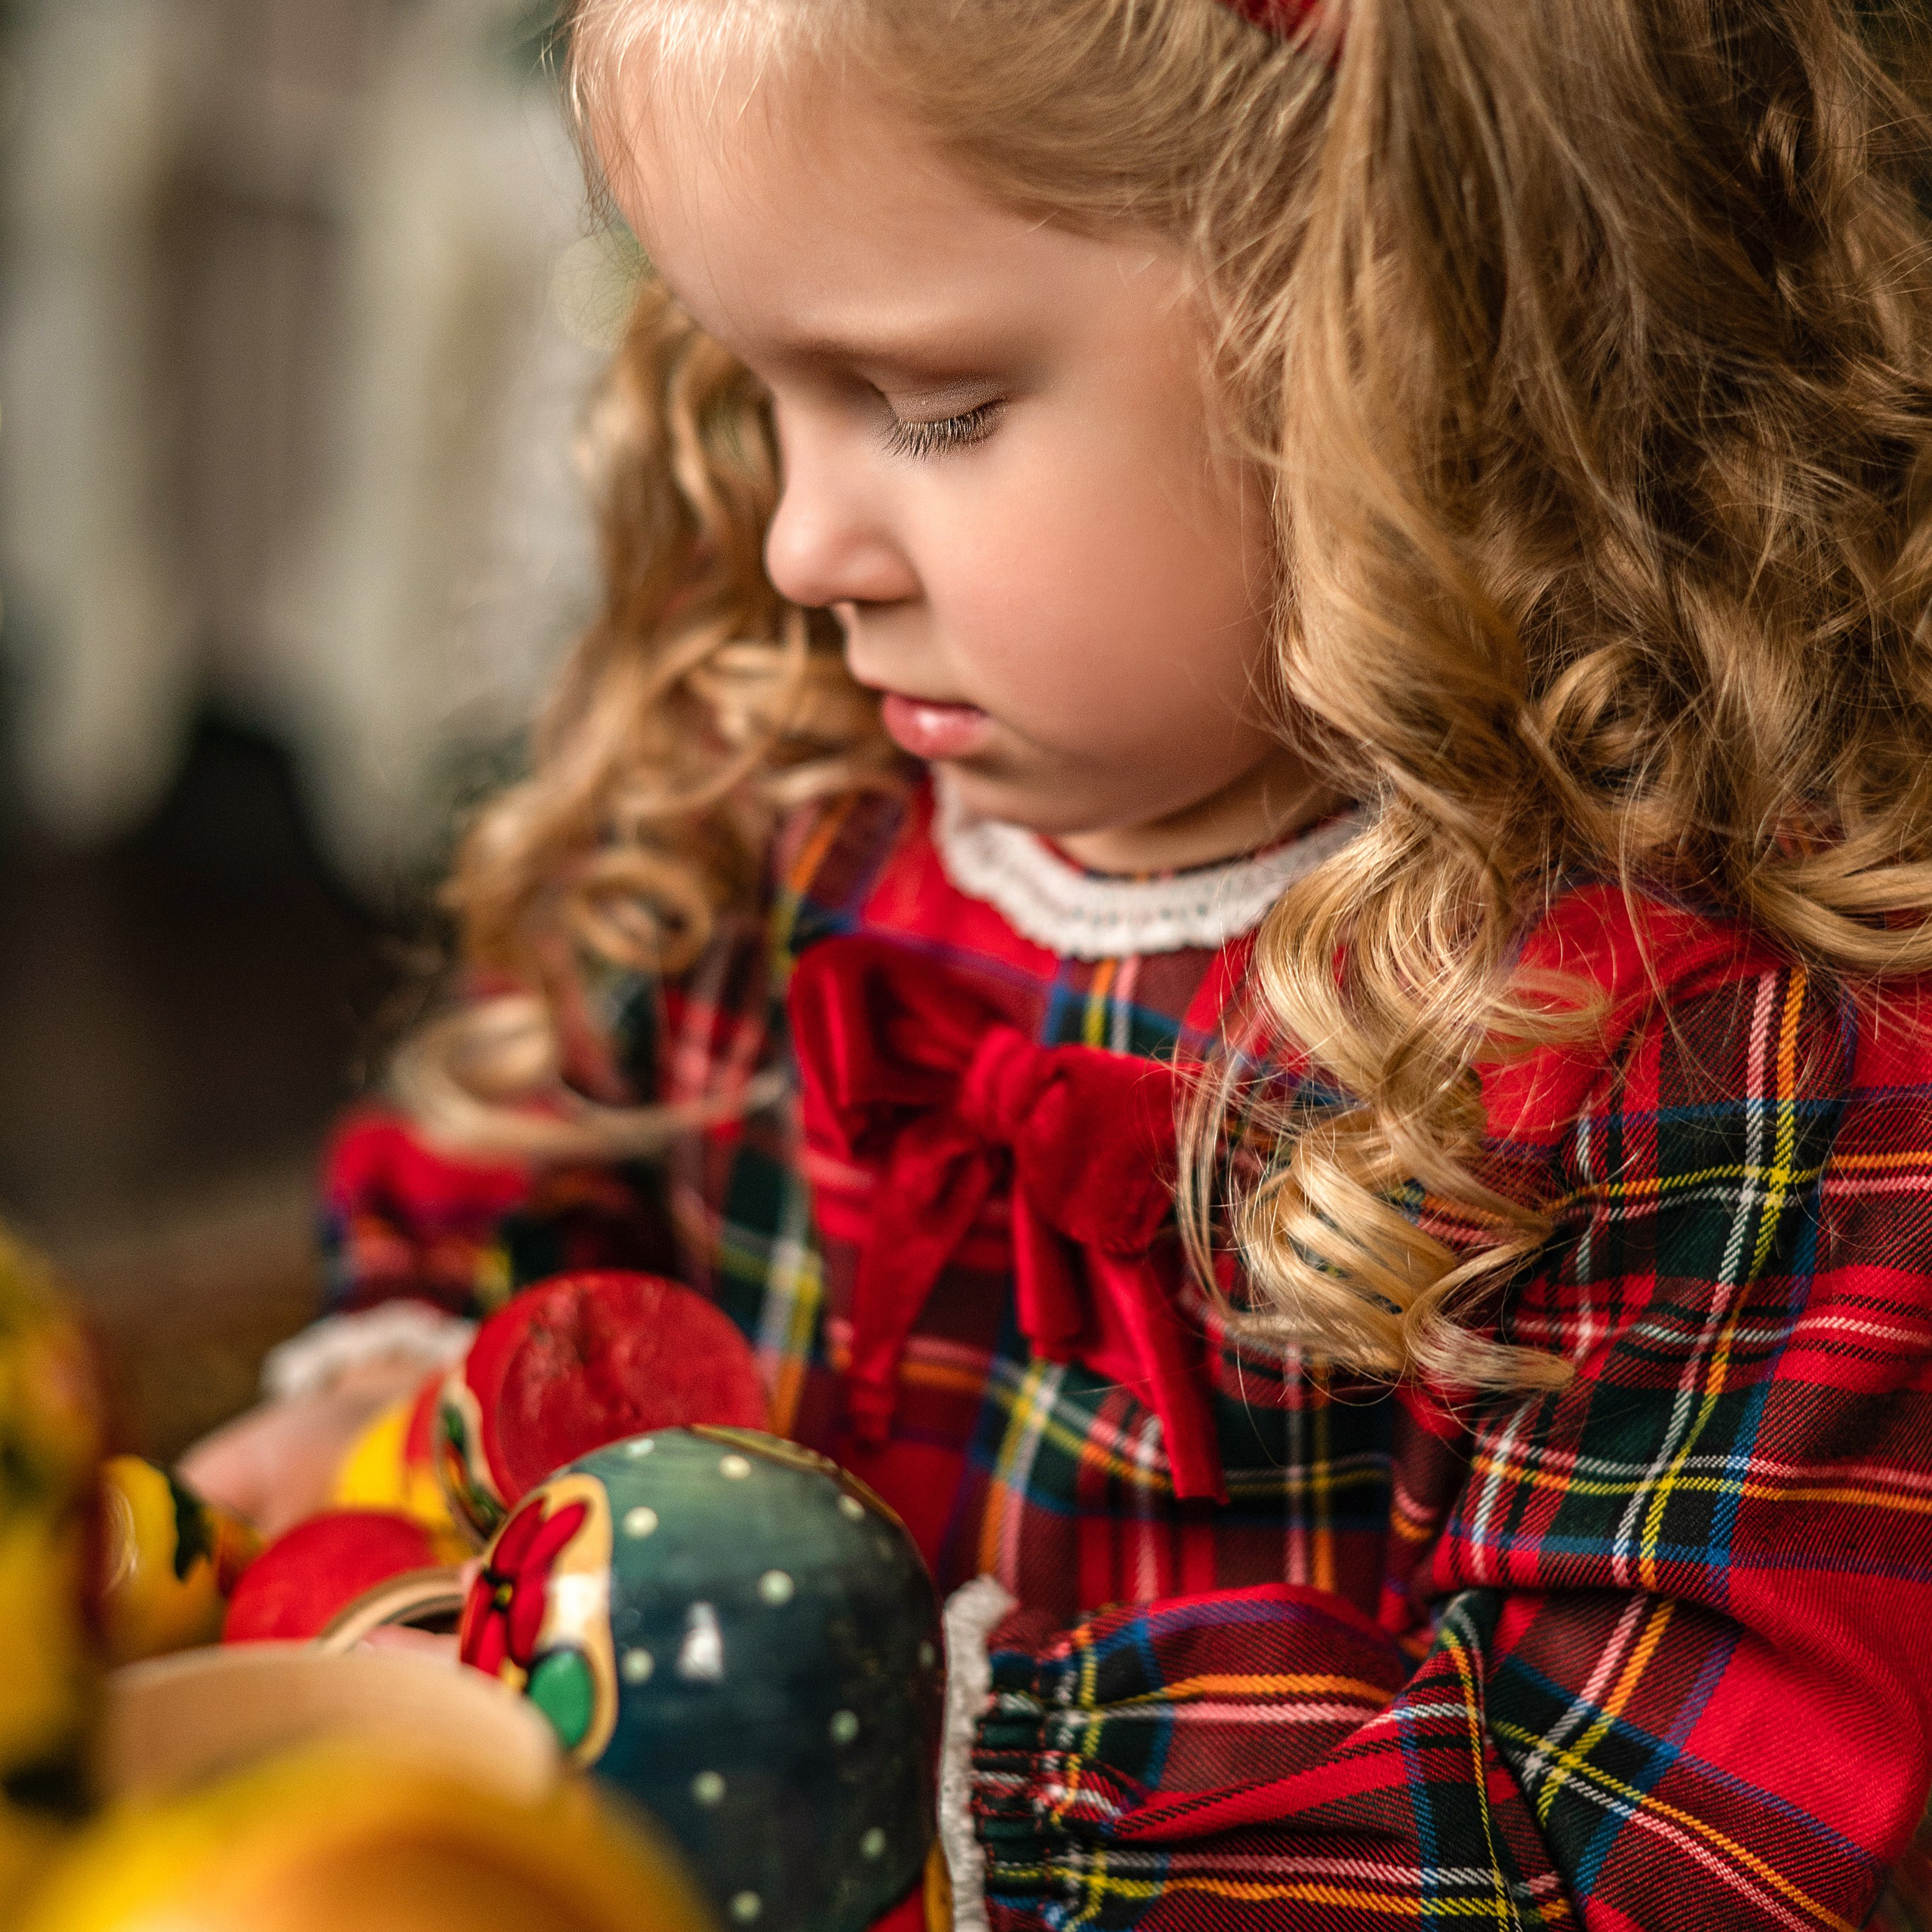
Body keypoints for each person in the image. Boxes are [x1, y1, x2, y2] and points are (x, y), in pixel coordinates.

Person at [183, 0, 1932, 1924]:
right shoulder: (767, 794)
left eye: (925, 405)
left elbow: (1641, 1841)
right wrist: (406, 1414)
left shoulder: (1695, 1045)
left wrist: (916, 1773)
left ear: (1407, 327)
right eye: (749, 377)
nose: (795, 541)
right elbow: (512, 1201)